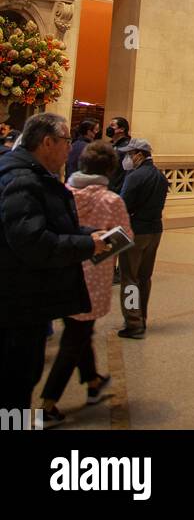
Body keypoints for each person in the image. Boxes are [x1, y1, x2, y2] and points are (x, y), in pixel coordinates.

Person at [0, 113, 105, 412]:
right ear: (48, 142)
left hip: (23, 300)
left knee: (17, 383)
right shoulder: (22, 179)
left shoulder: (26, 174)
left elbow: (41, 228)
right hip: (19, 303)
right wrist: (87, 244)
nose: (70, 150)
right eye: (66, 142)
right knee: (14, 388)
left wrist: (86, 235)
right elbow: (33, 243)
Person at [40, 140, 132, 426]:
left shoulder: (63, 193)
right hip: (92, 279)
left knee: (79, 330)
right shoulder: (111, 200)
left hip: (61, 272)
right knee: (75, 338)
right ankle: (48, 404)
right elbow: (124, 237)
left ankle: (92, 382)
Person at [118, 139, 168, 338]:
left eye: (130, 154)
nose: (127, 158)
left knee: (129, 278)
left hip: (136, 232)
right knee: (144, 277)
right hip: (155, 230)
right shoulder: (160, 176)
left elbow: (123, 205)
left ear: (139, 154)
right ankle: (142, 316)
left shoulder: (135, 176)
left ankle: (133, 321)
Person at [104, 117, 131, 193]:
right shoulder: (111, 145)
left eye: (112, 126)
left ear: (122, 129)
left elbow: (127, 172)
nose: (109, 128)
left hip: (118, 189)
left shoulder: (127, 147)